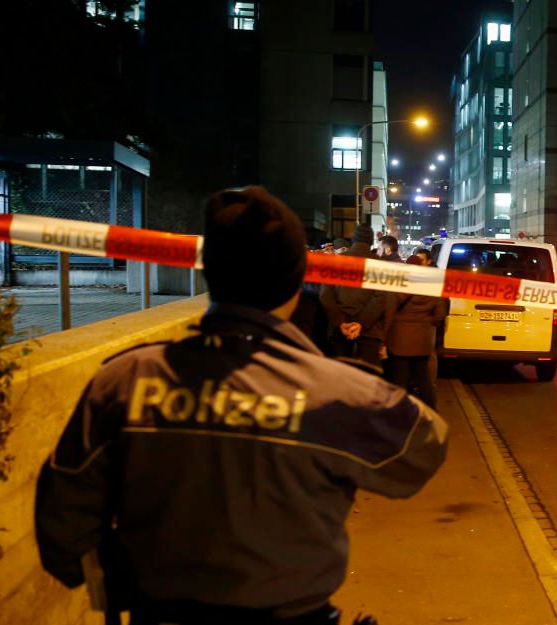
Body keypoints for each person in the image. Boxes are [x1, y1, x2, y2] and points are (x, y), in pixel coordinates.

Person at [34, 186, 449, 625]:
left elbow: (63, 532)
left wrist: (131, 573)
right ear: (295, 282)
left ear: (210, 273)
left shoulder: (123, 380)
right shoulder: (337, 393)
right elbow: (421, 453)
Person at [320, 224, 390, 368]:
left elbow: (325, 295)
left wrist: (341, 321)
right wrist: (361, 323)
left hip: (341, 329)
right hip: (370, 329)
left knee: (342, 373)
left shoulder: (336, 261)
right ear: (371, 241)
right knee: (369, 373)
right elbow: (381, 297)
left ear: (353, 239)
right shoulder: (379, 264)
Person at [385, 254, 448, 408]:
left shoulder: (400, 285)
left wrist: (384, 338)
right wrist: (427, 323)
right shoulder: (432, 285)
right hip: (422, 341)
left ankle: (399, 412)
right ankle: (431, 411)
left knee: (400, 380)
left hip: (399, 340)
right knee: (423, 380)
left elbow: (389, 312)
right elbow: (440, 314)